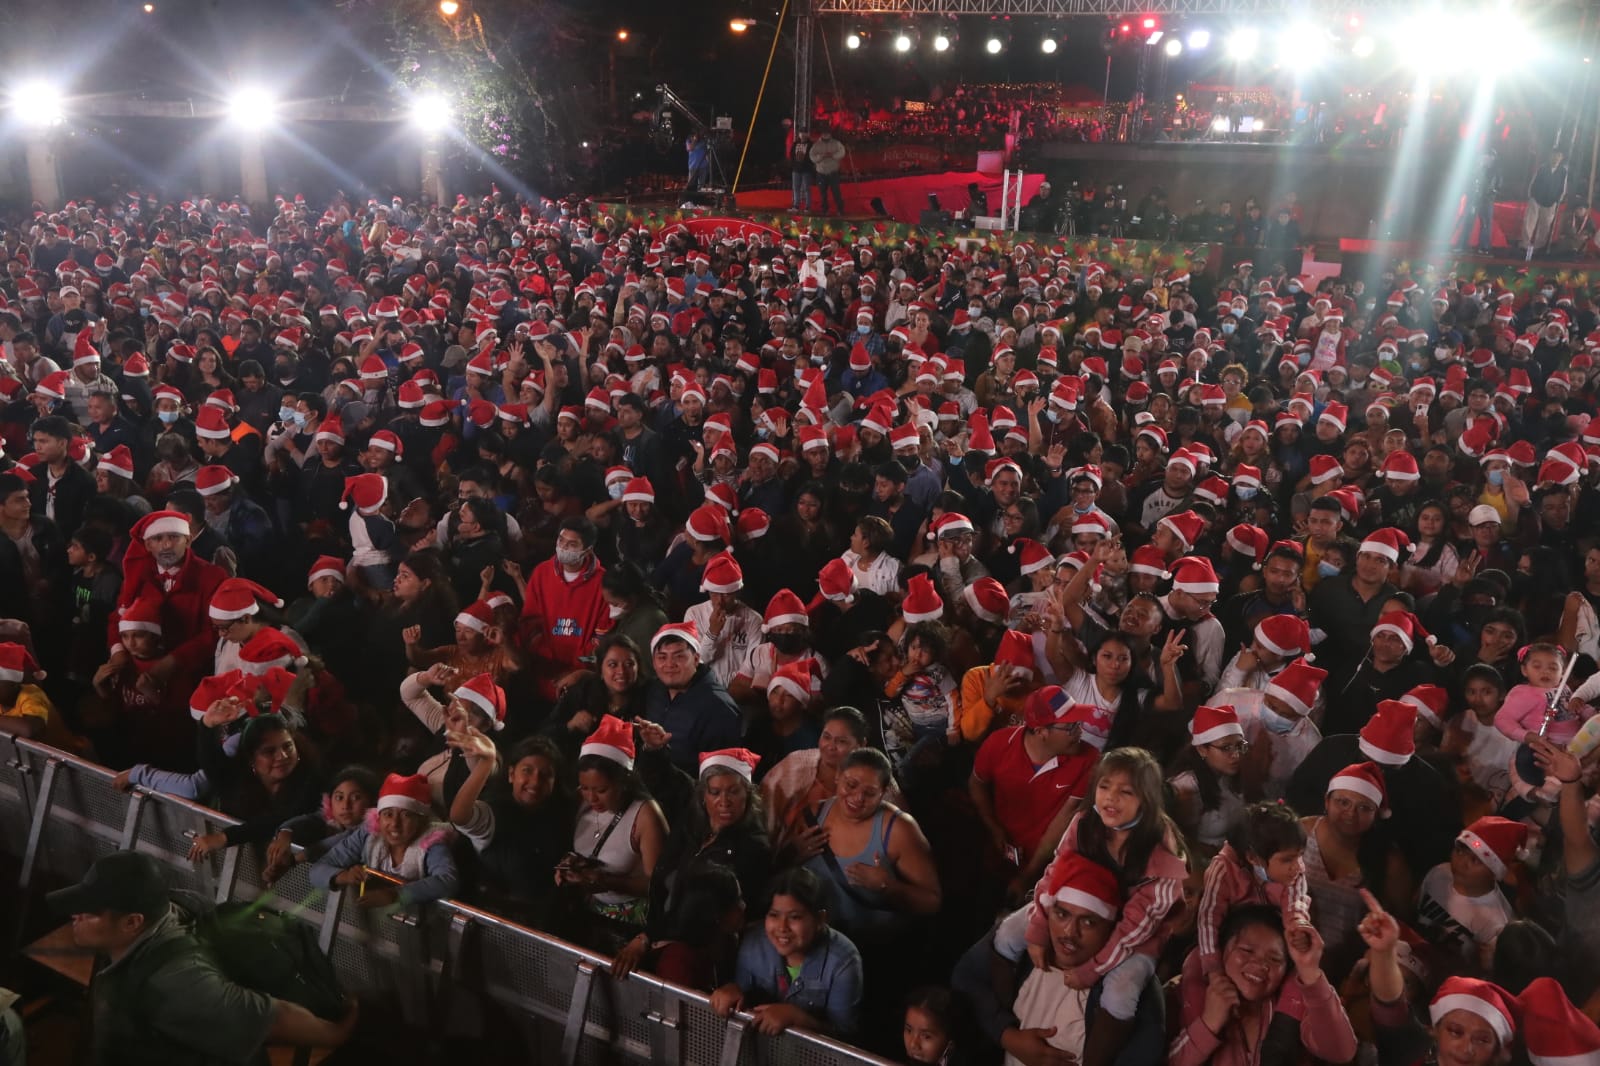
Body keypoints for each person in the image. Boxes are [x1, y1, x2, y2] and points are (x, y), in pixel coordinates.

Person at [48, 850, 358, 1063]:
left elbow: (271, 1017)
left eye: (90, 912)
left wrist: (335, 1034)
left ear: (132, 922)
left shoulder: (173, 980)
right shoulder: (171, 906)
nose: (76, 914)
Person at [1168, 905, 1356, 1066]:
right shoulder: (1186, 997)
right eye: (1247, 950)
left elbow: (1341, 1051)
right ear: (1221, 952)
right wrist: (1208, 1024)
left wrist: (1310, 972)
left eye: (1274, 959)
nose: (1260, 965)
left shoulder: (1292, 1009)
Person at [710, 867, 864, 1037]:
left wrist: (798, 1018)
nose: (782, 928)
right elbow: (742, 996)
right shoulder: (753, 943)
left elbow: (846, 1038)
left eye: (795, 917)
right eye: (774, 915)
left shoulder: (843, 961)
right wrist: (733, 991)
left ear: (820, 919)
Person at [1524, 148, 1568, 258]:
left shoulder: (1563, 172)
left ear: (1561, 158)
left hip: (1551, 201)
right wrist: (1531, 196)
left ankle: (1539, 246)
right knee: (1529, 222)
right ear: (1550, 156)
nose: (1556, 158)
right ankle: (1525, 245)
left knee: (1545, 225)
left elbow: (1563, 187)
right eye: (1554, 155)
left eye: (1559, 156)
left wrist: (1558, 200)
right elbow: (1533, 181)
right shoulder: (1542, 167)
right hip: (1536, 198)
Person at [809, 129, 847, 215]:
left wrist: (833, 155)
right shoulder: (816, 145)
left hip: (833, 172)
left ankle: (840, 210)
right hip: (821, 172)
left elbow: (842, 152)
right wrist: (821, 156)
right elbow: (812, 156)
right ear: (821, 134)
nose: (825, 134)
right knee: (823, 193)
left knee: (836, 192)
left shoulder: (836, 143)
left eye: (827, 133)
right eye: (824, 133)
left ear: (830, 134)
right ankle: (824, 210)